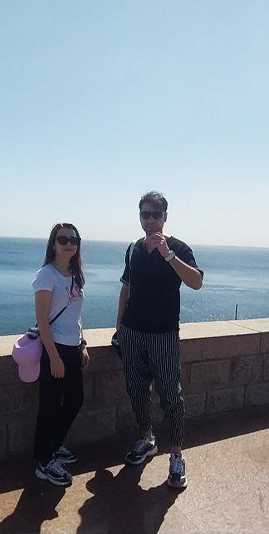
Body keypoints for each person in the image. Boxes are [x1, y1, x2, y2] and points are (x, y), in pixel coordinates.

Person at [116, 191, 203, 489]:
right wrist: (119, 328)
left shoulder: (178, 248)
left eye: (156, 214)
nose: (150, 220)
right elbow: (126, 288)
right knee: (136, 389)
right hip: (132, 332)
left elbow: (196, 282)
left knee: (171, 395)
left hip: (164, 335)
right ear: (140, 217)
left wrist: (168, 255)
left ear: (165, 217)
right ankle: (147, 438)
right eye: (145, 214)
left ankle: (176, 455)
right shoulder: (133, 249)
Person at [32, 223, 89, 487]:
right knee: (50, 406)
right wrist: (53, 357)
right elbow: (42, 321)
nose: (68, 244)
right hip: (54, 347)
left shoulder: (74, 275)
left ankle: (53, 445)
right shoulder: (46, 275)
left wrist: (82, 343)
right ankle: (44, 461)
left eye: (73, 240)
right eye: (62, 239)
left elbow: (75, 315)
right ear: (53, 244)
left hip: (72, 346)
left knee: (75, 400)